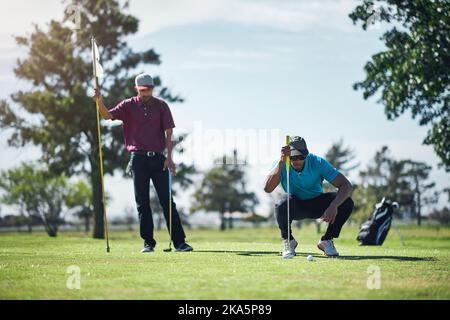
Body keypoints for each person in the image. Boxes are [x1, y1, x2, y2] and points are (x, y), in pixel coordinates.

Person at [93, 73, 193, 253]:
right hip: (138, 159)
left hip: (158, 159)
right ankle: (148, 243)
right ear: (137, 89)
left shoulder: (161, 105)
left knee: (167, 201)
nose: (147, 92)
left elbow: (169, 132)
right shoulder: (128, 105)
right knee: (142, 203)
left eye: (149, 89)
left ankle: (180, 242)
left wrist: (170, 157)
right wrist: (99, 101)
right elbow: (107, 116)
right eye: (143, 89)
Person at [264, 136, 354, 258]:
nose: (297, 161)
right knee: (281, 204)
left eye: (301, 157)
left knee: (346, 202)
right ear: (287, 156)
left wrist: (334, 206)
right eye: (293, 157)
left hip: (317, 203)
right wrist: (281, 162)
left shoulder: (317, 162)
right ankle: (289, 241)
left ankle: (326, 240)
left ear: (306, 154)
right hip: (295, 205)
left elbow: (346, 186)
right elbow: (267, 188)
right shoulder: (280, 164)